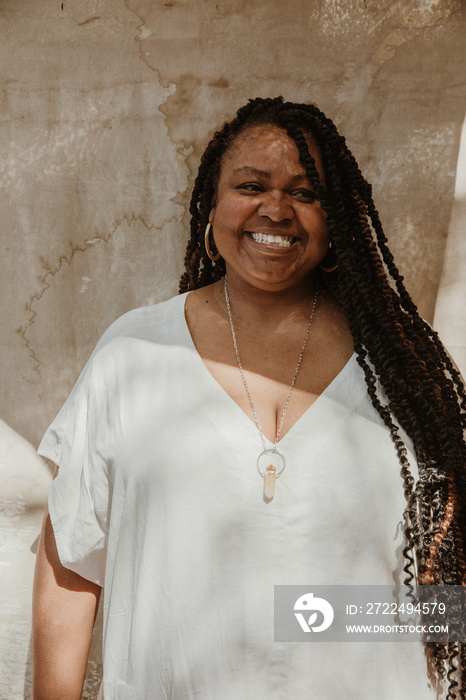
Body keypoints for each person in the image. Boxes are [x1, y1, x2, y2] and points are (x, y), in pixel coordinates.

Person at [32, 96, 466, 699]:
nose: (276, 209)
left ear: (335, 218)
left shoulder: (401, 369)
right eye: (251, 185)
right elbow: (72, 558)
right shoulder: (133, 354)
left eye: (307, 192)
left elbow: (445, 593)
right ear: (213, 209)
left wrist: (318, 622)